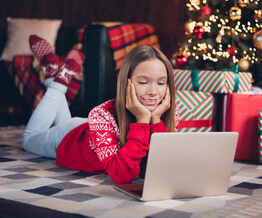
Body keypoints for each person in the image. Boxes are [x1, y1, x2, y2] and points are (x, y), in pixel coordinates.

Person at [21, 35, 180, 185]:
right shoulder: (100, 114)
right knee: (27, 139)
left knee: (63, 121)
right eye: (143, 82)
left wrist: (157, 120)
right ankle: (60, 80)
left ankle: (52, 74)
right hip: (69, 138)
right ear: (125, 83)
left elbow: (166, 166)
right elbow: (122, 176)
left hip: (90, 129)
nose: (153, 91)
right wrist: (143, 120)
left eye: (161, 83)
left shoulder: (167, 109)